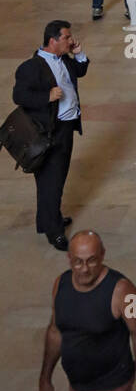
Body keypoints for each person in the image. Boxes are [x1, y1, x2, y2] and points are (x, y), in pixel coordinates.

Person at [39, 229, 136, 391]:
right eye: (78, 262)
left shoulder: (124, 292)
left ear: (102, 255)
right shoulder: (60, 285)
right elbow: (55, 331)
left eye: (91, 261)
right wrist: (45, 378)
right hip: (77, 388)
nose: (84, 269)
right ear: (69, 259)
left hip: (109, 389)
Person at [12, 20, 89, 250]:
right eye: (66, 37)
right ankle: (54, 231)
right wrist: (47, 96)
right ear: (53, 40)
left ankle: (46, 220)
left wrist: (79, 53)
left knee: (55, 178)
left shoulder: (64, 58)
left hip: (65, 128)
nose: (70, 40)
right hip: (49, 132)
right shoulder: (31, 67)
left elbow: (80, 71)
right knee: (51, 182)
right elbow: (19, 96)